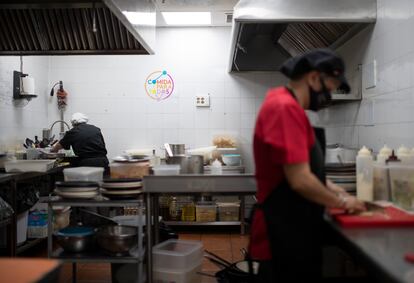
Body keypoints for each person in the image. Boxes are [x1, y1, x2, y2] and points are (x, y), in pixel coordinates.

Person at [249, 49, 366, 282]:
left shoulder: (289, 106)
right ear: (314, 78)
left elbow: (302, 168)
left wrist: (334, 188)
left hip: (293, 228)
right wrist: (342, 201)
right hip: (282, 235)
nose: (329, 95)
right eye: (330, 87)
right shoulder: (284, 108)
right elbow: (300, 180)